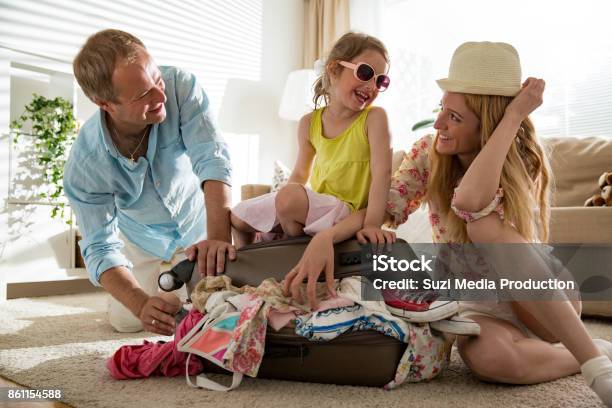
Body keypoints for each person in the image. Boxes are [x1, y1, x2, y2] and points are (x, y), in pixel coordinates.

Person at [283, 41, 612, 405]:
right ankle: (591, 348)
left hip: (540, 297)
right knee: (490, 361)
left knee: (482, 226)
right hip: (477, 304)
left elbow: (472, 202)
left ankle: (596, 367)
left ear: (488, 124)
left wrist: (513, 117)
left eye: (454, 117)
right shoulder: (429, 153)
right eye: (442, 109)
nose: (438, 123)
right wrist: (326, 237)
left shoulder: (517, 157)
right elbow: (384, 208)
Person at [64, 29, 234, 336]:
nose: (161, 96)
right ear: (105, 103)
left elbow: (213, 159)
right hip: (141, 239)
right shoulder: (86, 164)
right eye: (143, 94)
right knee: (129, 320)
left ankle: (178, 287)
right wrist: (139, 303)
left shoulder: (181, 86)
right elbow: (99, 246)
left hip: (198, 227)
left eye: (157, 79)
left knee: (218, 305)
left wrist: (219, 238)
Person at [231, 32, 393, 292]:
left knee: (289, 199)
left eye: (380, 80)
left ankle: (290, 240)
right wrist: (280, 207)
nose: (372, 86)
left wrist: (372, 224)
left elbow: (383, 174)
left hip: (345, 212)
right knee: (239, 216)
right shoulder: (309, 122)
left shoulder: (374, 118)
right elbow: (299, 174)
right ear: (334, 69)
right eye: (365, 73)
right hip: (316, 208)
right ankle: (253, 266)